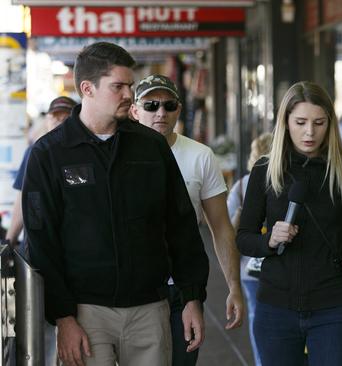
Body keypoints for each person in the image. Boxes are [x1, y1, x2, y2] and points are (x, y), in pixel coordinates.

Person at [22, 42, 209, 366]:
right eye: (118, 86)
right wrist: (63, 318)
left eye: (130, 85)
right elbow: (42, 242)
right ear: (87, 89)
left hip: (150, 308)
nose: (128, 94)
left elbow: (181, 224)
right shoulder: (49, 154)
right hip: (85, 313)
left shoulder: (151, 146)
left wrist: (192, 297)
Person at [236, 81, 342, 366]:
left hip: (332, 306)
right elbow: (244, 237)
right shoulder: (265, 170)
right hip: (275, 307)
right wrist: (270, 240)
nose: (309, 132)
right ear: (285, 122)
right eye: (300, 122)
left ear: (330, 124)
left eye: (318, 122)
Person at [130, 74, 245, 366]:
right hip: (135, 290)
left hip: (183, 288)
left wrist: (234, 286)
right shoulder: (120, 155)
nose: (160, 113)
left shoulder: (200, 156)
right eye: (151, 105)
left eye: (169, 105)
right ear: (135, 110)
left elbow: (220, 227)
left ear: (179, 109)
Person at [5, 96, 77, 252]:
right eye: (55, 116)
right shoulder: (36, 152)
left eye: (66, 117)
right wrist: (9, 241)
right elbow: (23, 199)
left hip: (73, 246)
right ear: (47, 120)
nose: (60, 121)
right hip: (38, 245)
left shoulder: (84, 152)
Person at [226, 132, 273, 366]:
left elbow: (227, 231)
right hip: (268, 267)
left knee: (258, 318)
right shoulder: (247, 186)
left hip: (250, 269)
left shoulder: (241, 186)